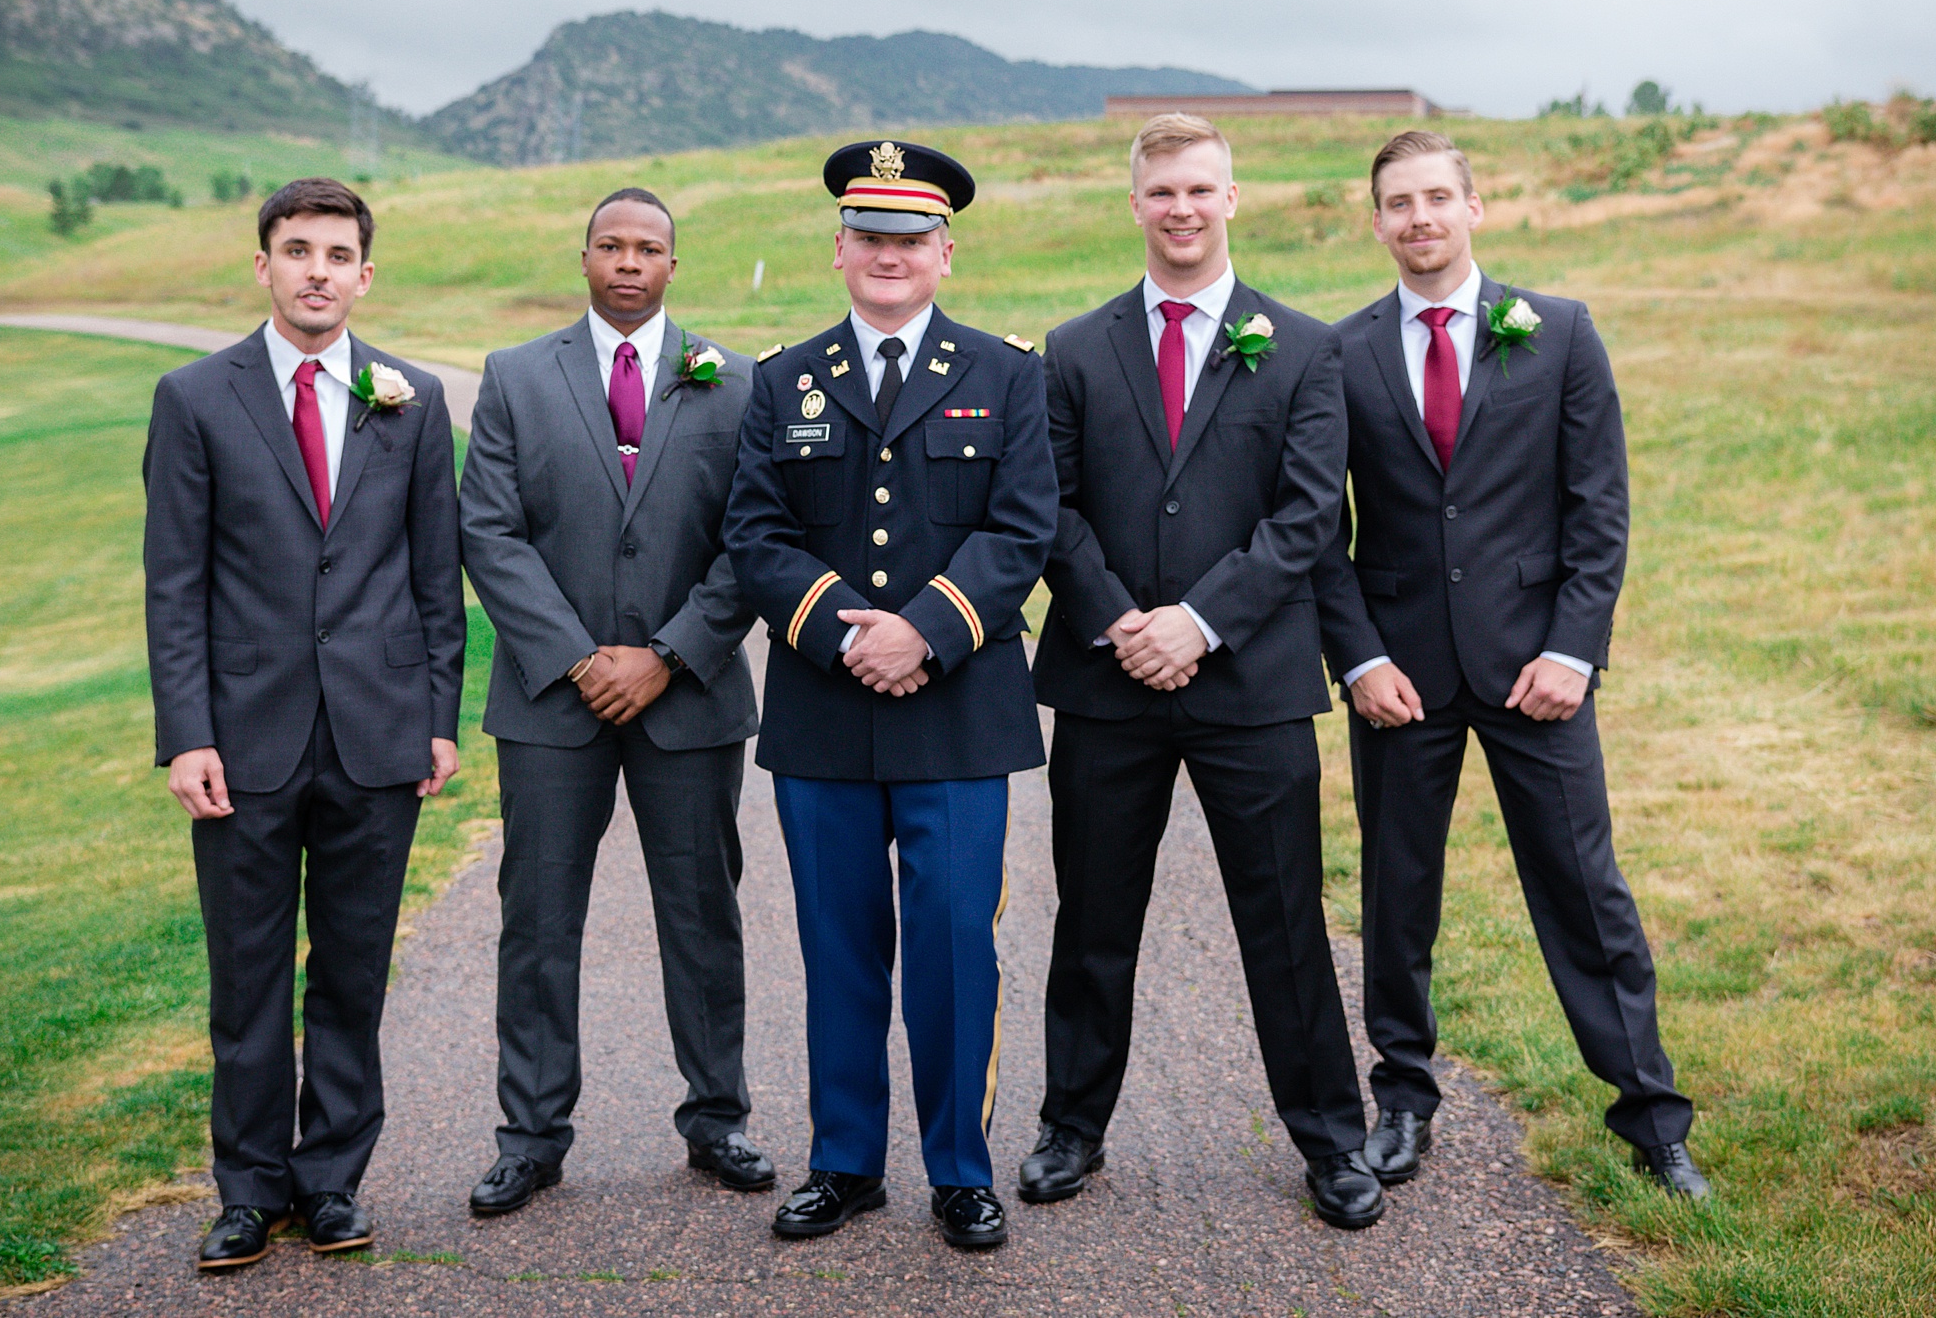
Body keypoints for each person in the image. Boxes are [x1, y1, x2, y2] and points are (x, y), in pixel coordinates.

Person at [1313, 130, 1707, 1198]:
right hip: (1400, 679)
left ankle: (1651, 1120)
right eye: (1397, 203)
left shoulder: (1560, 334)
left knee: (1584, 892)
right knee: (1397, 897)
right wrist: (1356, 660)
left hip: (1538, 671)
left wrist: (1572, 648)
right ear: (1378, 221)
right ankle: (1400, 1102)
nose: (1419, 219)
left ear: (1473, 207)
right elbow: (1319, 531)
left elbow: (1598, 509)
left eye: (1436, 197)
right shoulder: (1338, 355)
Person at [1025, 114, 1384, 1230]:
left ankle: (1329, 1138)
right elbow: (1051, 508)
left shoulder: (1304, 346)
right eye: (1160, 193)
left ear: (1233, 198)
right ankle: (1070, 1129)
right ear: (1132, 204)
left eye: (1198, 190)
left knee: (1281, 921)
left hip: (1251, 684)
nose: (1179, 209)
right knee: (1090, 918)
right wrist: (1125, 620)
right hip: (1105, 678)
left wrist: (1198, 622)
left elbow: (1304, 518)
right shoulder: (1074, 349)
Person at [724, 140, 1057, 1250]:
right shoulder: (781, 379)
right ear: (837, 249)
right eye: (868, 236)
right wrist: (836, 632)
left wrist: (924, 630)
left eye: (909, 239)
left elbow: (1022, 530)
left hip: (958, 710)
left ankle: (959, 1169)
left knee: (959, 945)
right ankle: (844, 1162)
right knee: (838, 945)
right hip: (825, 714)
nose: (887, 254)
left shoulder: (1008, 374)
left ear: (943, 253)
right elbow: (755, 534)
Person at [143, 178, 466, 1269]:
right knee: (246, 976)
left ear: (365, 274)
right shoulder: (194, 398)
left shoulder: (409, 399)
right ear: (263, 267)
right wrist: (187, 733)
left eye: (337, 253)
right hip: (242, 740)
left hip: (377, 733)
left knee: (351, 972)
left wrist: (438, 718)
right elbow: (173, 582)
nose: (316, 270)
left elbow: (436, 578)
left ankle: (329, 1181)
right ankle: (245, 1189)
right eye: (296, 250)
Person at [457, 187, 772, 1215]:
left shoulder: (735, 382)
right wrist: (578, 657)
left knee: (701, 912)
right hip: (553, 702)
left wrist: (668, 655)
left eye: (648, 248)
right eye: (610, 245)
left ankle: (716, 1118)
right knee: (539, 919)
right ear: (582, 255)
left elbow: (751, 539)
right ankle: (531, 1135)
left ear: (673, 266)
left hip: (689, 699)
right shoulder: (514, 377)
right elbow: (489, 532)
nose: (627, 261)